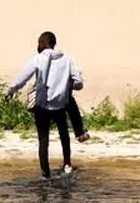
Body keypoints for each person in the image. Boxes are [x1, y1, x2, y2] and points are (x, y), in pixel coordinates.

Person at [6, 31, 84, 179]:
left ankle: (45, 174)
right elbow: (79, 83)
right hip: (60, 105)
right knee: (64, 136)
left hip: (42, 107)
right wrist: (67, 86)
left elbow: (22, 78)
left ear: (42, 43)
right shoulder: (68, 59)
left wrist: (10, 90)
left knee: (43, 140)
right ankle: (67, 164)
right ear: (53, 43)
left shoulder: (37, 59)